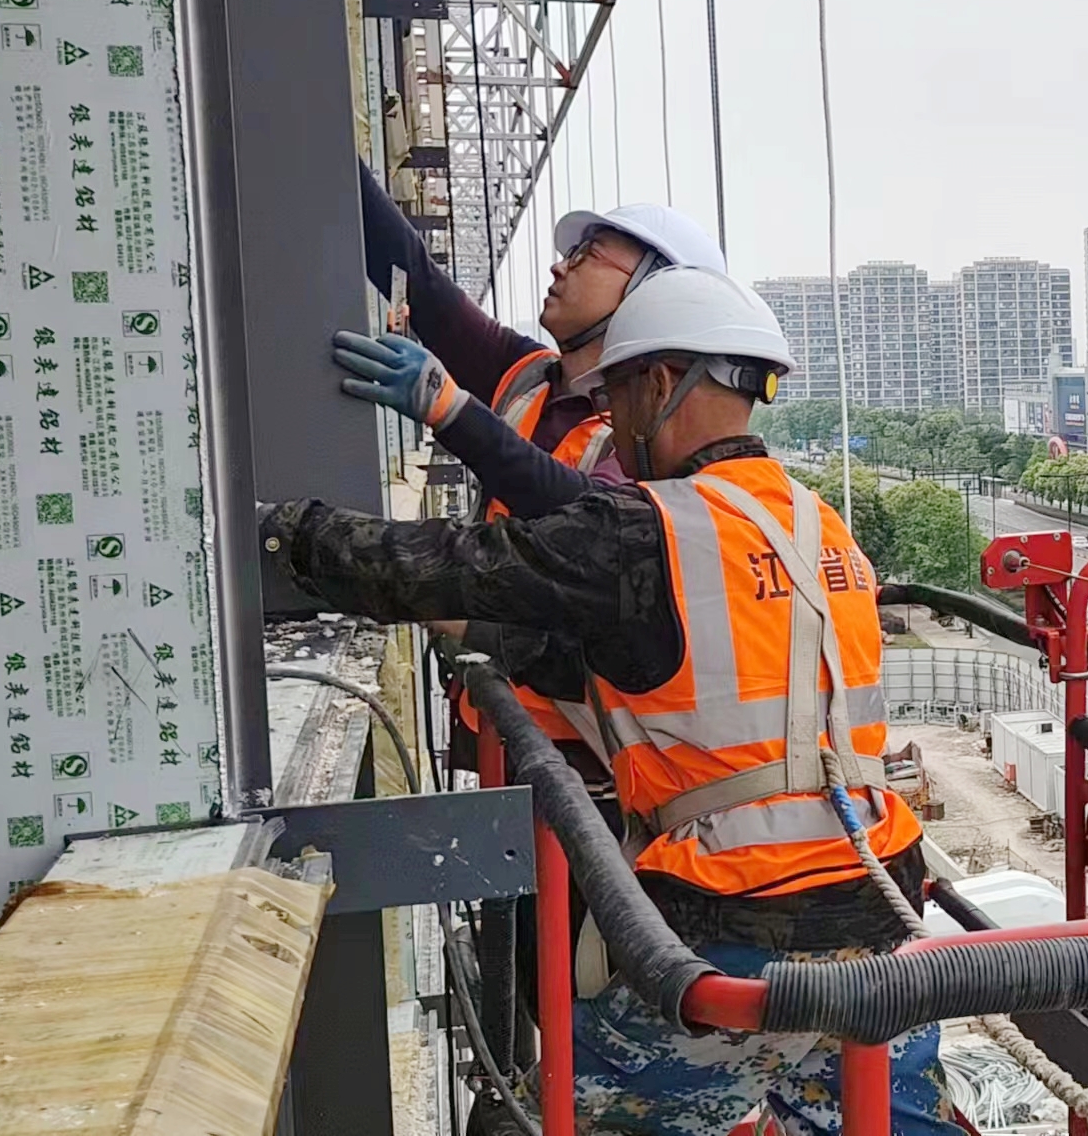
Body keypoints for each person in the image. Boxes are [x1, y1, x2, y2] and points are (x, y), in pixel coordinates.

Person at [260, 266, 954, 1136]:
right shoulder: (821, 524)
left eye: (618, 395)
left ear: (661, 384)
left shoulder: (643, 528)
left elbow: (439, 562)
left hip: (735, 925)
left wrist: (288, 534)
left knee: (545, 1118)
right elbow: (675, 664)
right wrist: (497, 643)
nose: (613, 426)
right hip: (880, 907)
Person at [342, 165, 728, 761]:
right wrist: (329, 149)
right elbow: (417, 277)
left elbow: (585, 519)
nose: (560, 267)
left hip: (582, 759)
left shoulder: (650, 440)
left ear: (650, 295)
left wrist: (453, 412)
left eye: (588, 257)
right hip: (495, 720)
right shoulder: (526, 375)